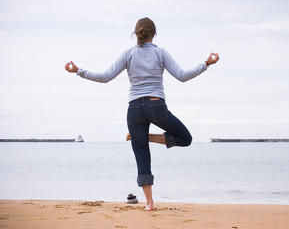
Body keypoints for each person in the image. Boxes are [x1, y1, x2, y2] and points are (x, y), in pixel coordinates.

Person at [64, 17, 220, 211]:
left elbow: (105, 77)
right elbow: (182, 76)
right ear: (154, 34)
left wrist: (78, 70)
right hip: (156, 107)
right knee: (186, 138)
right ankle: (145, 139)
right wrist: (206, 63)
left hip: (135, 109)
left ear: (136, 33)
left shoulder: (128, 54)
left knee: (141, 156)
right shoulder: (161, 52)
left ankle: (149, 203)